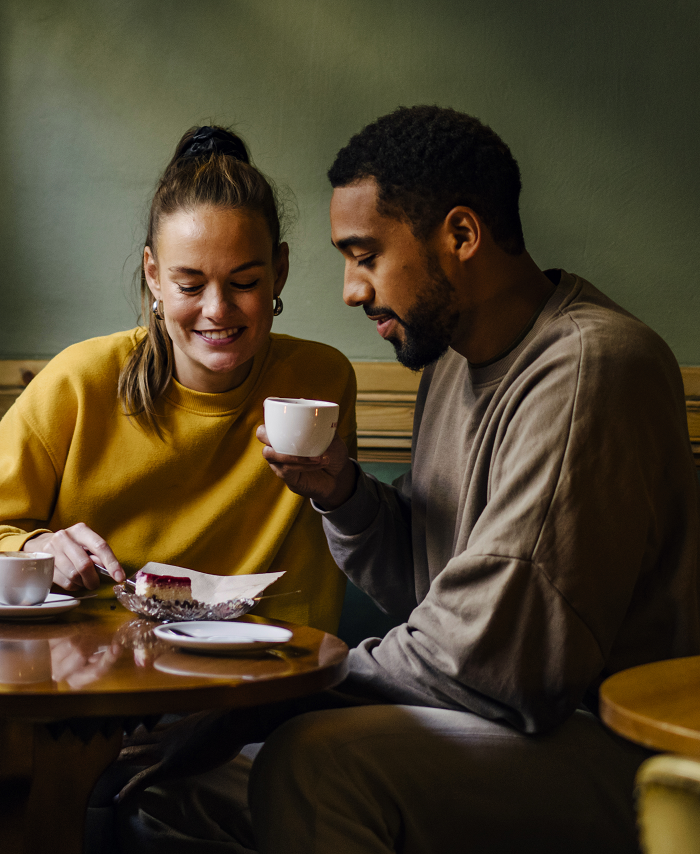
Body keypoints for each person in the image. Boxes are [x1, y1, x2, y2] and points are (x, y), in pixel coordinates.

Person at [118, 107, 699, 853]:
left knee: (316, 763)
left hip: (613, 751)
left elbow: (493, 656)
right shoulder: (450, 357)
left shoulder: (590, 369)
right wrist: (342, 494)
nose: (351, 291)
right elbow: (434, 588)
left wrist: (259, 705)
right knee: (173, 786)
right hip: (490, 724)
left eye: (365, 255)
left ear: (461, 236)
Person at [0, 125, 356, 634]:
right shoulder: (78, 383)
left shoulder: (322, 382)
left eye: (246, 282)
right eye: (190, 284)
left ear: (279, 271)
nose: (217, 310)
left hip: (259, 685)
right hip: (90, 682)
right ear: (153, 274)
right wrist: (32, 546)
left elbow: (329, 572)